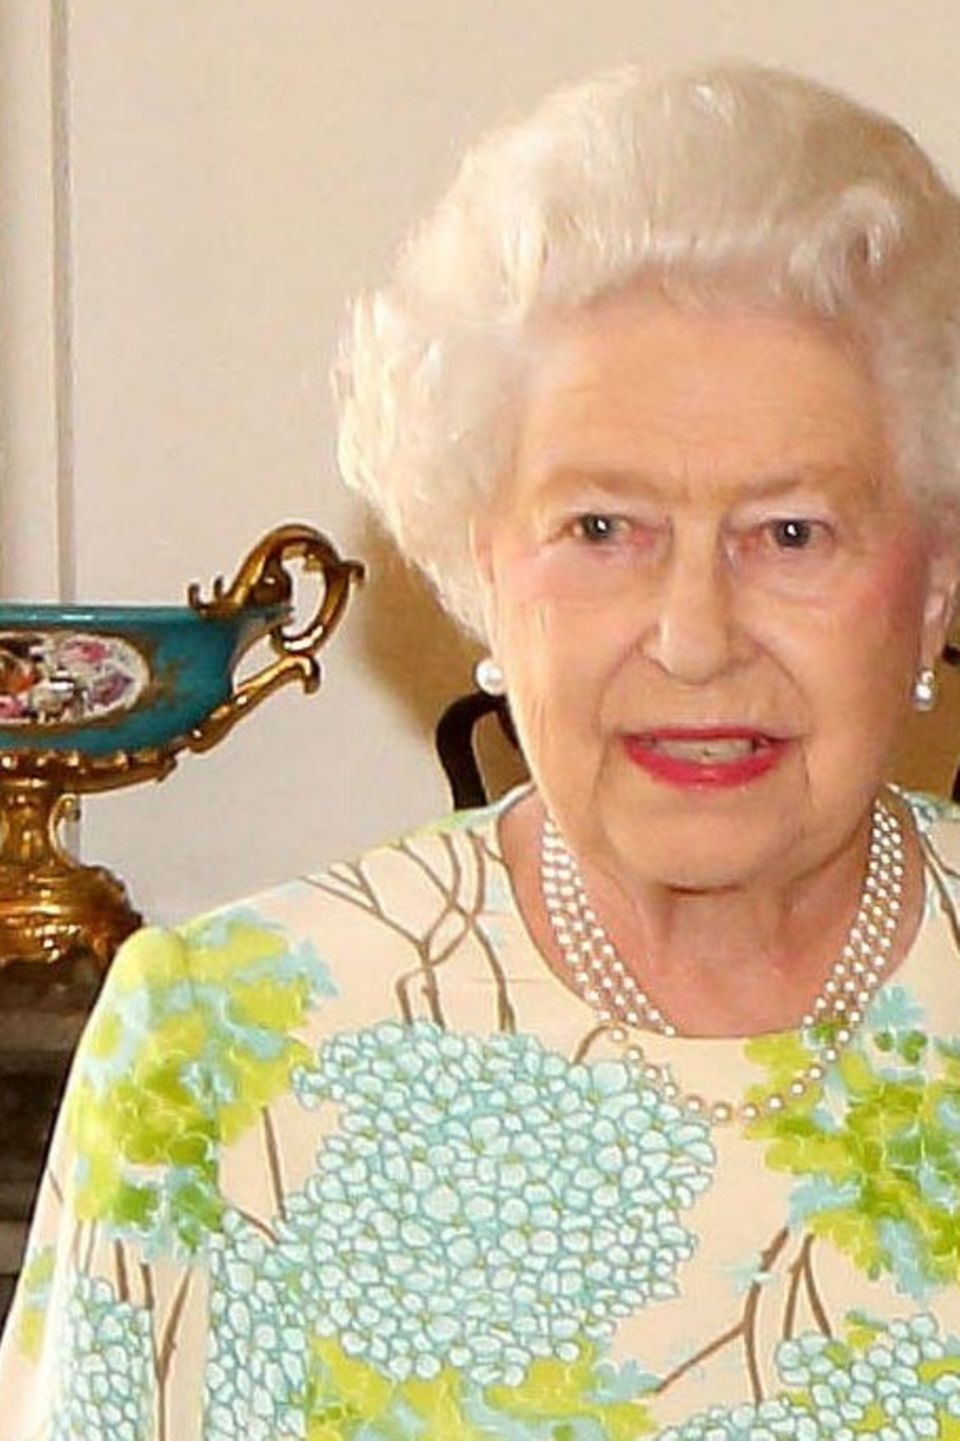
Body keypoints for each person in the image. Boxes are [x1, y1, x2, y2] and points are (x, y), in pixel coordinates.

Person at [4, 60, 960, 1441]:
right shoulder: (219, 1054)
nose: (695, 636)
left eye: (793, 531)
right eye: (603, 529)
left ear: (933, 581)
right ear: (476, 568)